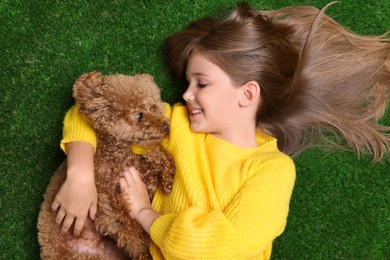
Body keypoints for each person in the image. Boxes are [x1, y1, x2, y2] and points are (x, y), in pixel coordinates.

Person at [51, 2, 390, 259]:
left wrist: (144, 213)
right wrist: (79, 175)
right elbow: (98, 111)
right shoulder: (177, 124)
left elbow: (225, 247)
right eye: (187, 82)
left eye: (201, 83)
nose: (186, 94)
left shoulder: (272, 170)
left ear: (248, 94)